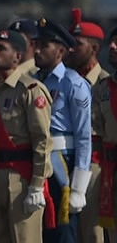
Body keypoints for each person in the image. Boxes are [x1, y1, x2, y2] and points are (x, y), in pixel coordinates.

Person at [0, 29, 52, 243]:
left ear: (17, 56)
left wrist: (36, 185)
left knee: (26, 238)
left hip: (22, 176)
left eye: (1, 48)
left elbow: (42, 140)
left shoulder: (30, 90)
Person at [35, 18, 93, 242]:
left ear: (60, 50)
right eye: (36, 44)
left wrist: (79, 187)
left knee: (64, 231)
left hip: (63, 165)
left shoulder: (73, 83)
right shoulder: (32, 81)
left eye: (45, 45)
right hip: (37, 163)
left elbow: (83, 136)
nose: (38, 50)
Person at [66, 9, 109, 243]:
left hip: (95, 165)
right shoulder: (63, 81)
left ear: (94, 49)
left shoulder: (104, 84)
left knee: (92, 232)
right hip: (66, 161)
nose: (70, 49)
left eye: (77, 44)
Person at [91, 25, 117, 234]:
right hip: (111, 170)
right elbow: (97, 126)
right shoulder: (102, 88)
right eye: (112, 42)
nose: (112, 47)